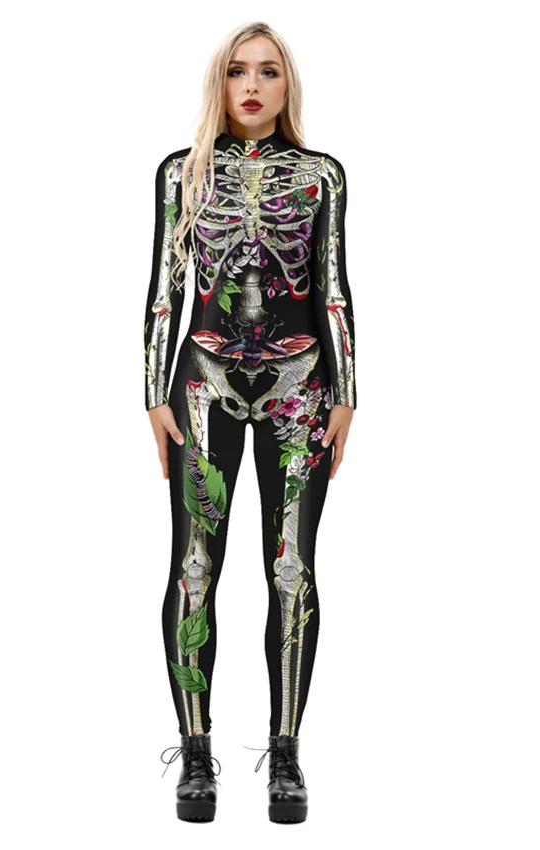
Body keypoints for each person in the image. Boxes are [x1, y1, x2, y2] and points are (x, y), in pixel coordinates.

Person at [145, 22, 357, 823]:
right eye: (239, 71)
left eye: (269, 72)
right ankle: (195, 752)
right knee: (195, 564)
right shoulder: (184, 173)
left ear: (286, 84)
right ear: (220, 82)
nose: (253, 86)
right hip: (203, 383)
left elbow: (332, 286)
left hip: (302, 387)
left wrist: (349, 393)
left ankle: (286, 751)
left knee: (291, 567)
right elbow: (164, 289)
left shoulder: (321, 176)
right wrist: (153, 394)